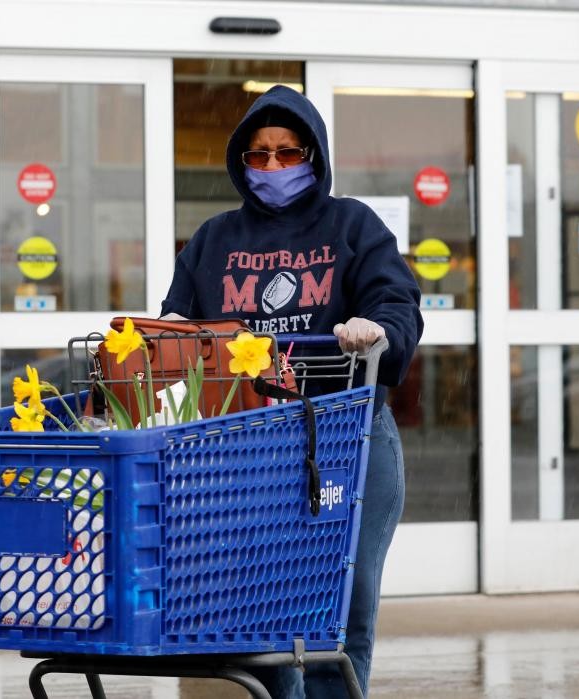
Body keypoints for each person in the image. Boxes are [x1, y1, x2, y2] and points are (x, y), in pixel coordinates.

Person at [160, 84, 423, 697]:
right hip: (251, 447)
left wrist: (375, 328)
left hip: (344, 438)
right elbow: (179, 325)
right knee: (264, 604)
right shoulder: (214, 239)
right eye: (258, 155)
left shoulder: (352, 225)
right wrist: (167, 334)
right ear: (242, 162)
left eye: (287, 151)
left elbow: (397, 302)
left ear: (314, 153)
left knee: (341, 602)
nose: (273, 166)